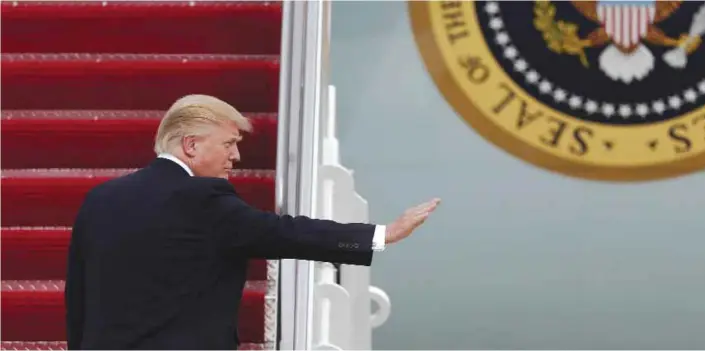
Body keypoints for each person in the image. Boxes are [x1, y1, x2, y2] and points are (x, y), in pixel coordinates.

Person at [64, 94, 440, 350]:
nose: (236, 156)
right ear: (191, 145)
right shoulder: (204, 200)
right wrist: (382, 235)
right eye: (228, 144)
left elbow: (78, 297)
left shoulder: (100, 199)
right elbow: (286, 233)